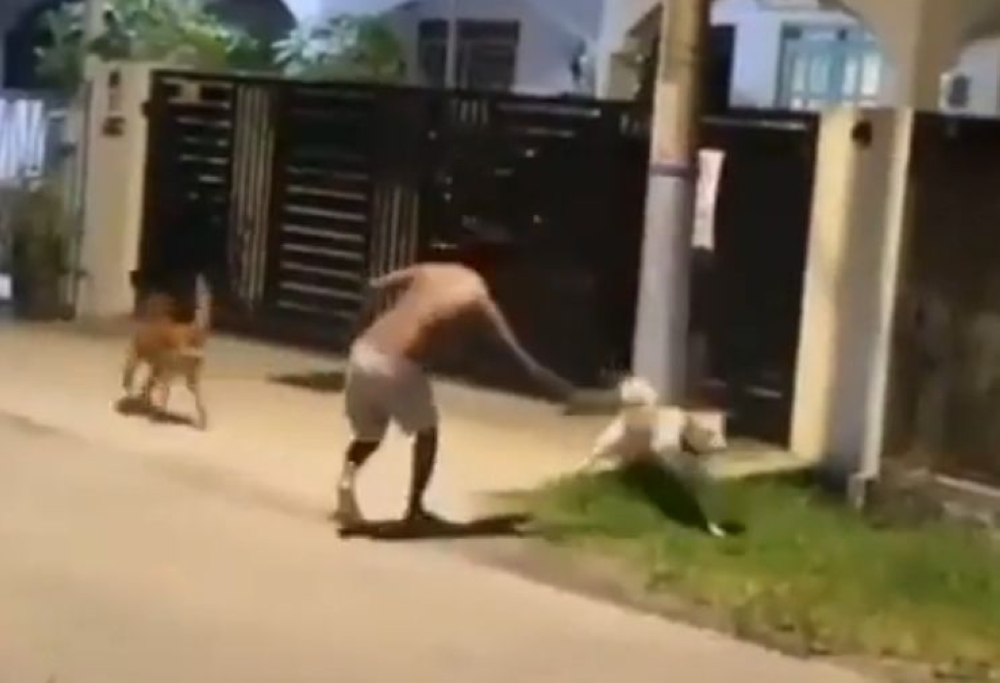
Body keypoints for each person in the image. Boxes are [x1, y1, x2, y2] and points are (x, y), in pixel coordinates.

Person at [333, 258, 575, 527]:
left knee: (368, 436)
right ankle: (415, 509)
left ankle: (346, 481)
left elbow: (375, 286)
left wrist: (363, 320)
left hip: (363, 351)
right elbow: (517, 357)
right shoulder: (478, 298)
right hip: (395, 363)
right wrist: (559, 388)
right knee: (427, 432)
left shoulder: (432, 271)